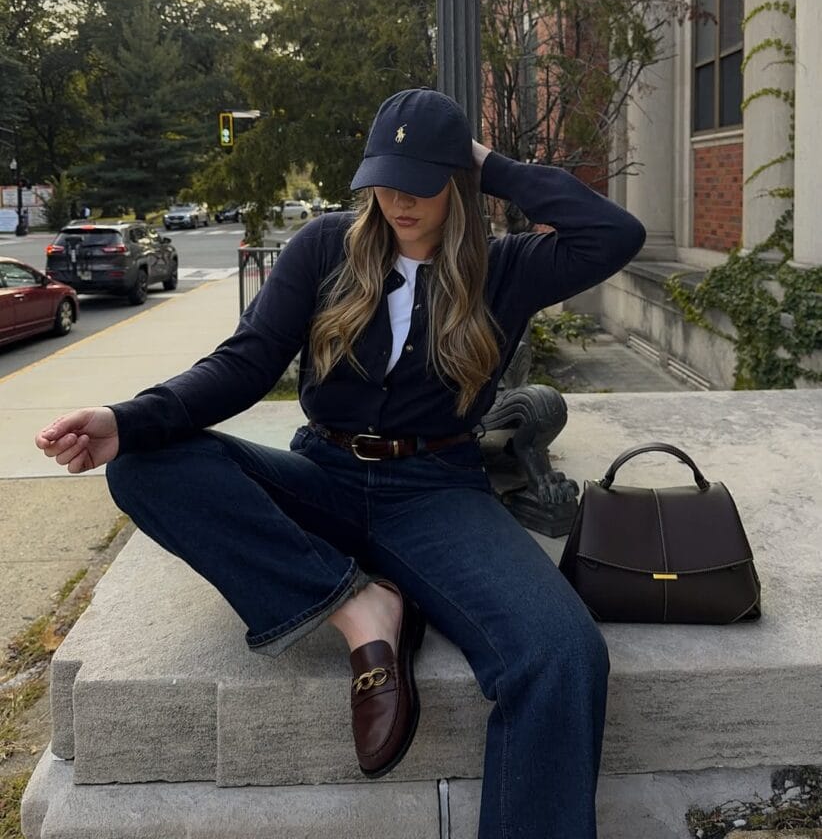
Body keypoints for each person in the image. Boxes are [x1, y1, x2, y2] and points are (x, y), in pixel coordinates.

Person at [35, 88, 646, 839]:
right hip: (320, 475)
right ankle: (360, 605)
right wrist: (125, 419)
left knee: (562, 654)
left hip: (436, 494)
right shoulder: (327, 246)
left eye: (420, 179)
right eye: (384, 178)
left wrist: (492, 165)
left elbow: (615, 234)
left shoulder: (506, 268)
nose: (397, 199)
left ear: (458, 180)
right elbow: (246, 362)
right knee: (144, 465)